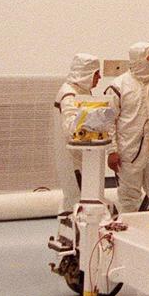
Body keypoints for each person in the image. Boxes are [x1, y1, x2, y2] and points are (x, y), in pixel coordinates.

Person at [104, 41, 149, 212]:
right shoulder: (118, 86)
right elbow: (109, 122)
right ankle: (131, 227)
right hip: (128, 151)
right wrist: (111, 151)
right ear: (140, 59)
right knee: (129, 198)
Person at [53, 53, 101, 207]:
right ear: (86, 73)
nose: (99, 77)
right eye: (96, 73)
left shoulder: (81, 91)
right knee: (77, 199)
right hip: (73, 159)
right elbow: (71, 129)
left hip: (83, 157)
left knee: (79, 200)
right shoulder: (69, 95)